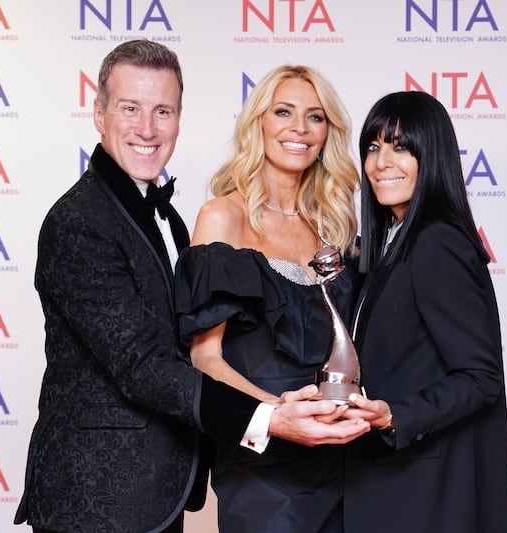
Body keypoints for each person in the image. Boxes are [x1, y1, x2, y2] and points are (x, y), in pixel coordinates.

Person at [13, 41, 368, 533]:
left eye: (163, 111)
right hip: (99, 494)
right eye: (130, 108)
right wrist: (267, 415)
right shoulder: (80, 222)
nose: (147, 128)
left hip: (166, 485)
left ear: (180, 119)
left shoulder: (169, 220)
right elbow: (144, 365)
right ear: (98, 113)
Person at [174, 65, 360, 532]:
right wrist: (278, 416)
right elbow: (205, 359)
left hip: (344, 459)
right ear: (258, 123)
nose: (299, 128)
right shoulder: (222, 217)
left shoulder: (335, 224)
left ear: (327, 133)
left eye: (315, 117)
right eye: (284, 112)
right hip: (264, 468)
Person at [341, 91, 507, 532]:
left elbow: (481, 377)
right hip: (392, 483)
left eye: (401, 147)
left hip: (425, 494)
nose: (382, 161)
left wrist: (395, 414)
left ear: (431, 155)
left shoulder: (436, 242)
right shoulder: (390, 245)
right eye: (373, 147)